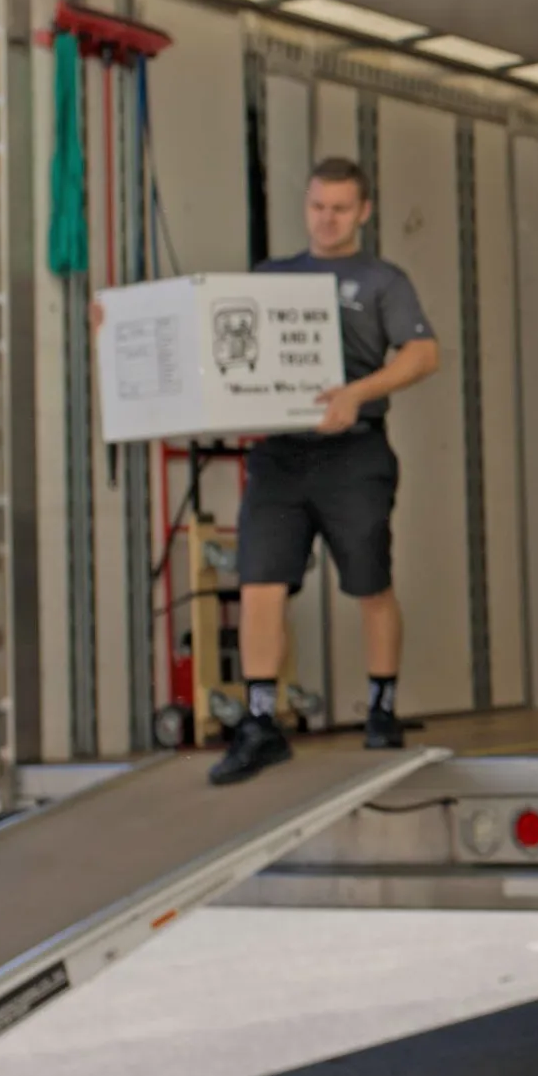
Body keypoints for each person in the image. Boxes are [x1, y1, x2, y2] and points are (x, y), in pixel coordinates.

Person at [214, 157, 440, 784]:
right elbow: (216, 338)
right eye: (318, 206)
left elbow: (424, 353)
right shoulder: (270, 276)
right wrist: (117, 328)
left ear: (363, 212)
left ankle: (381, 707)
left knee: (369, 582)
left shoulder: (381, 280)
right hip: (281, 453)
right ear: (305, 205)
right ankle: (261, 720)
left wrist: (357, 393)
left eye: (341, 207)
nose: (327, 218)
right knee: (259, 580)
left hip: (354, 451)